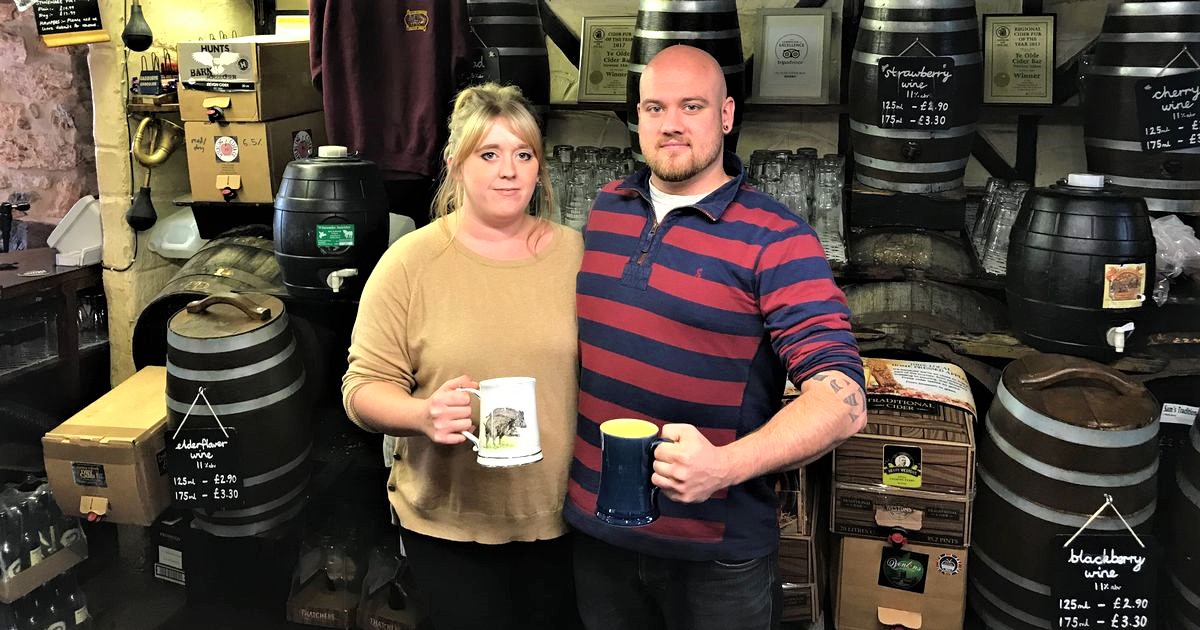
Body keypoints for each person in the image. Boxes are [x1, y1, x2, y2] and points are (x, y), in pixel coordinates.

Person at [564, 45, 867, 630]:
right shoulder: (607, 209)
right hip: (597, 537)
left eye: (691, 105)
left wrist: (723, 467)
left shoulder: (779, 239)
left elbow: (842, 400)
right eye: (654, 107)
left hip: (716, 559)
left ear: (726, 116)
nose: (670, 123)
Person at [342, 82, 584, 630]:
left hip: (566, 521)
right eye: (489, 154)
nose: (509, 170)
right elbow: (361, 390)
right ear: (455, 163)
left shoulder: (574, 254)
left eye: (524, 154)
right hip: (448, 528)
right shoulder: (410, 263)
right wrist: (420, 415)